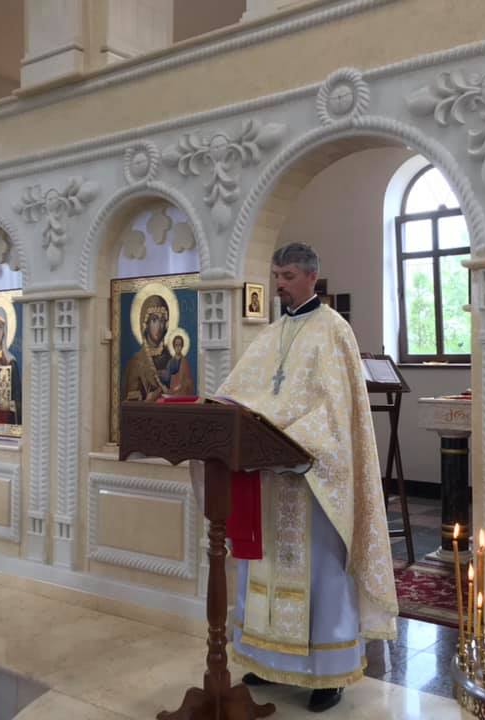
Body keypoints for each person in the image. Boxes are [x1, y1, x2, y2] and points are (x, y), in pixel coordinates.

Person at [217, 243, 397, 713]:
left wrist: (289, 436)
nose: (279, 283)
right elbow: (241, 390)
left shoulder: (334, 331)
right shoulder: (271, 333)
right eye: (276, 275)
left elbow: (336, 412)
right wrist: (229, 410)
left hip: (314, 478)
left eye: (288, 276)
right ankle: (266, 659)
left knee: (321, 573)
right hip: (270, 477)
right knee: (265, 569)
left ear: (311, 277)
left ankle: (327, 674)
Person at [123, 294, 173, 401]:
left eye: (162, 320)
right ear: (146, 324)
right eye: (154, 320)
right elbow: (131, 404)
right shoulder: (136, 362)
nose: (159, 326)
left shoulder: (170, 358)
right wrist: (151, 398)